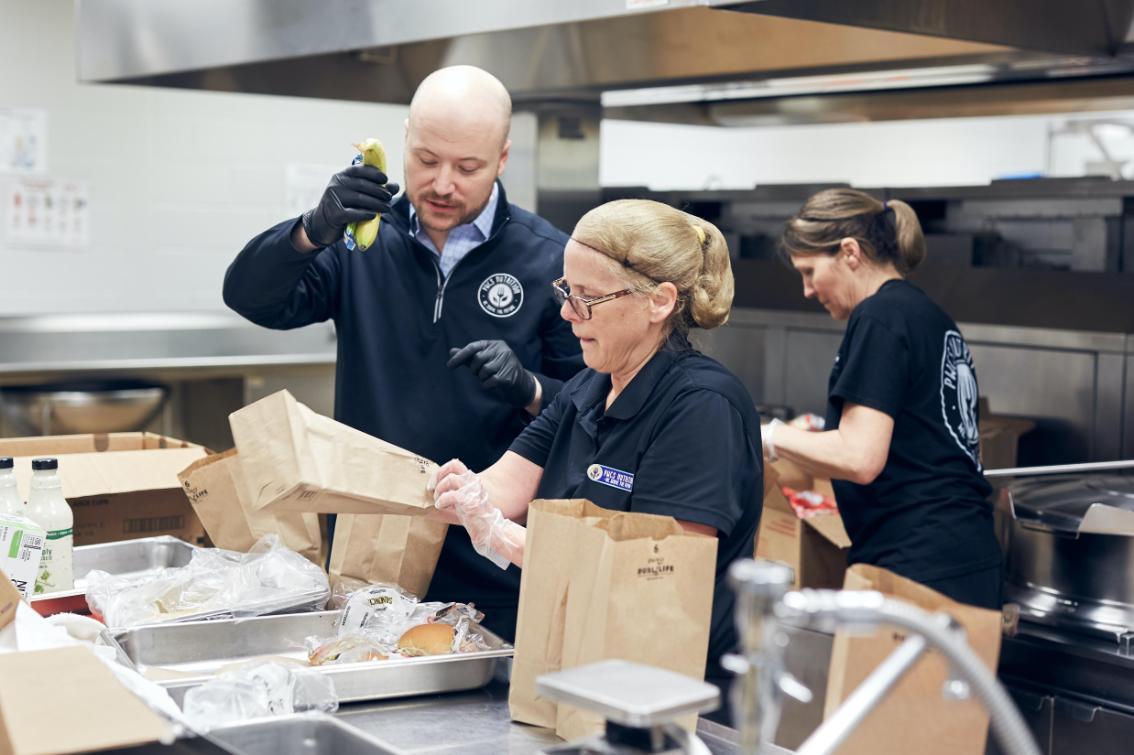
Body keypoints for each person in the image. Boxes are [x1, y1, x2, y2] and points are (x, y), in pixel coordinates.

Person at [222, 65, 584, 640]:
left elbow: (590, 410)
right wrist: (312, 229)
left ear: (503, 159)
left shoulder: (549, 258)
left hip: (492, 559)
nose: (443, 184)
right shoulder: (359, 241)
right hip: (371, 554)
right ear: (405, 141)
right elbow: (251, 298)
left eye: (468, 168)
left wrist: (531, 389)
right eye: (426, 159)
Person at [428, 199, 763, 718]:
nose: (567, 313)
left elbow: (654, 573)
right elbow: (500, 489)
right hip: (580, 668)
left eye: (587, 298)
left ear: (659, 301)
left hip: (670, 698)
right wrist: (458, 494)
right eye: (566, 291)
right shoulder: (589, 387)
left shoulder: (701, 407)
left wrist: (501, 535)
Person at [768, 188, 1001, 608]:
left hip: (917, 565)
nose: (806, 289)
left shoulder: (879, 316)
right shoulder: (925, 314)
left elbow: (860, 458)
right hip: (963, 559)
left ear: (850, 253)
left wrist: (769, 436)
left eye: (809, 271)